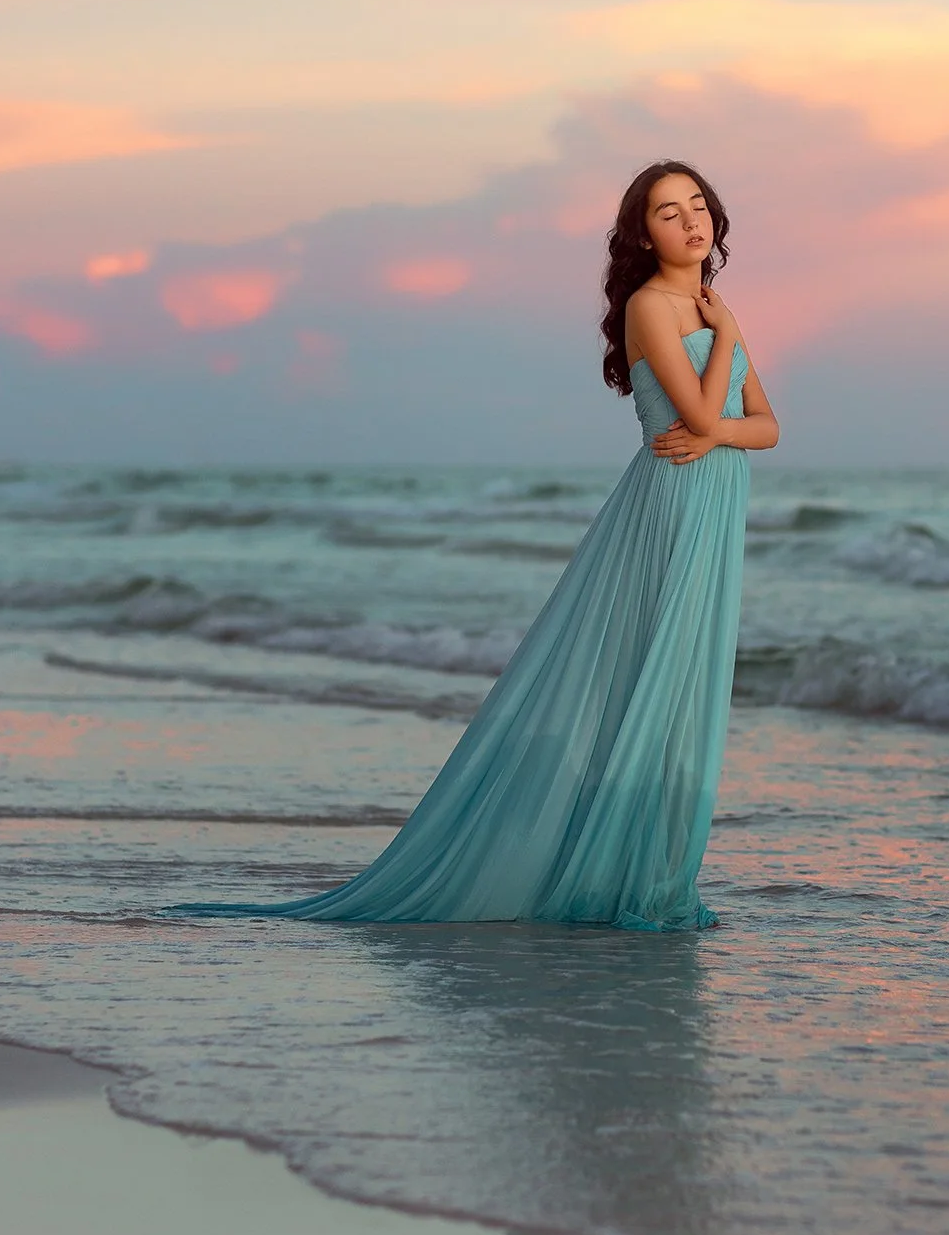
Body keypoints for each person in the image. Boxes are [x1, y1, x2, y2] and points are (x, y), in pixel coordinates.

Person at [174, 159, 778, 931]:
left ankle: (652, 873)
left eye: (698, 205)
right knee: (649, 686)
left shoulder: (711, 308)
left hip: (714, 506)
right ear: (641, 232)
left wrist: (722, 399)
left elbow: (765, 427)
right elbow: (697, 416)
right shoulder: (651, 306)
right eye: (668, 212)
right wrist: (724, 348)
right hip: (670, 508)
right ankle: (610, 873)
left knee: (685, 692)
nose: (690, 221)